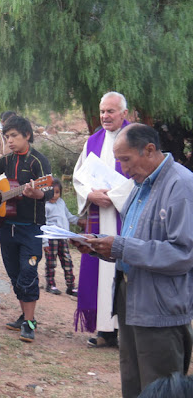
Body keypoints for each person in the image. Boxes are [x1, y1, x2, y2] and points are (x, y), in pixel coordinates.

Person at [76, 124, 193, 398]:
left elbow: (183, 254)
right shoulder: (139, 185)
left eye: (126, 160)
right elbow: (133, 239)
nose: (123, 169)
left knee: (160, 388)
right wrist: (97, 246)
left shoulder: (181, 186)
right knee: (133, 383)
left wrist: (121, 247)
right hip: (130, 297)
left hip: (160, 306)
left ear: (149, 150)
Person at [0, 115, 52, 343]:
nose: (9, 141)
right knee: (15, 275)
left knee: (28, 273)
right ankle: (24, 316)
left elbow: (49, 190)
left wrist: (37, 193)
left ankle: (29, 322)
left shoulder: (38, 161)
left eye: (14, 136)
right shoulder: (7, 161)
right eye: (6, 137)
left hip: (31, 228)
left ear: (27, 135)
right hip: (7, 227)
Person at [73, 91, 133, 348]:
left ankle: (127, 330)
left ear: (124, 114)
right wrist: (90, 195)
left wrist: (115, 196)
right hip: (99, 214)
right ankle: (106, 330)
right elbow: (79, 176)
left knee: (123, 271)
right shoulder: (93, 141)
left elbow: (143, 174)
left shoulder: (136, 137)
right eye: (102, 112)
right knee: (100, 271)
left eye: (110, 111)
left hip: (126, 216)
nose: (105, 116)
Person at [43, 178, 82, 296]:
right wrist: (45, 243)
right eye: (51, 192)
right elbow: (43, 224)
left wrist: (79, 221)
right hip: (51, 238)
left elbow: (69, 216)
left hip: (63, 237)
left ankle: (71, 286)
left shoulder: (61, 202)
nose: (54, 195)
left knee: (67, 261)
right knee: (51, 262)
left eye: (57, 192)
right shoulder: (45, 205)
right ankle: (50, 284)